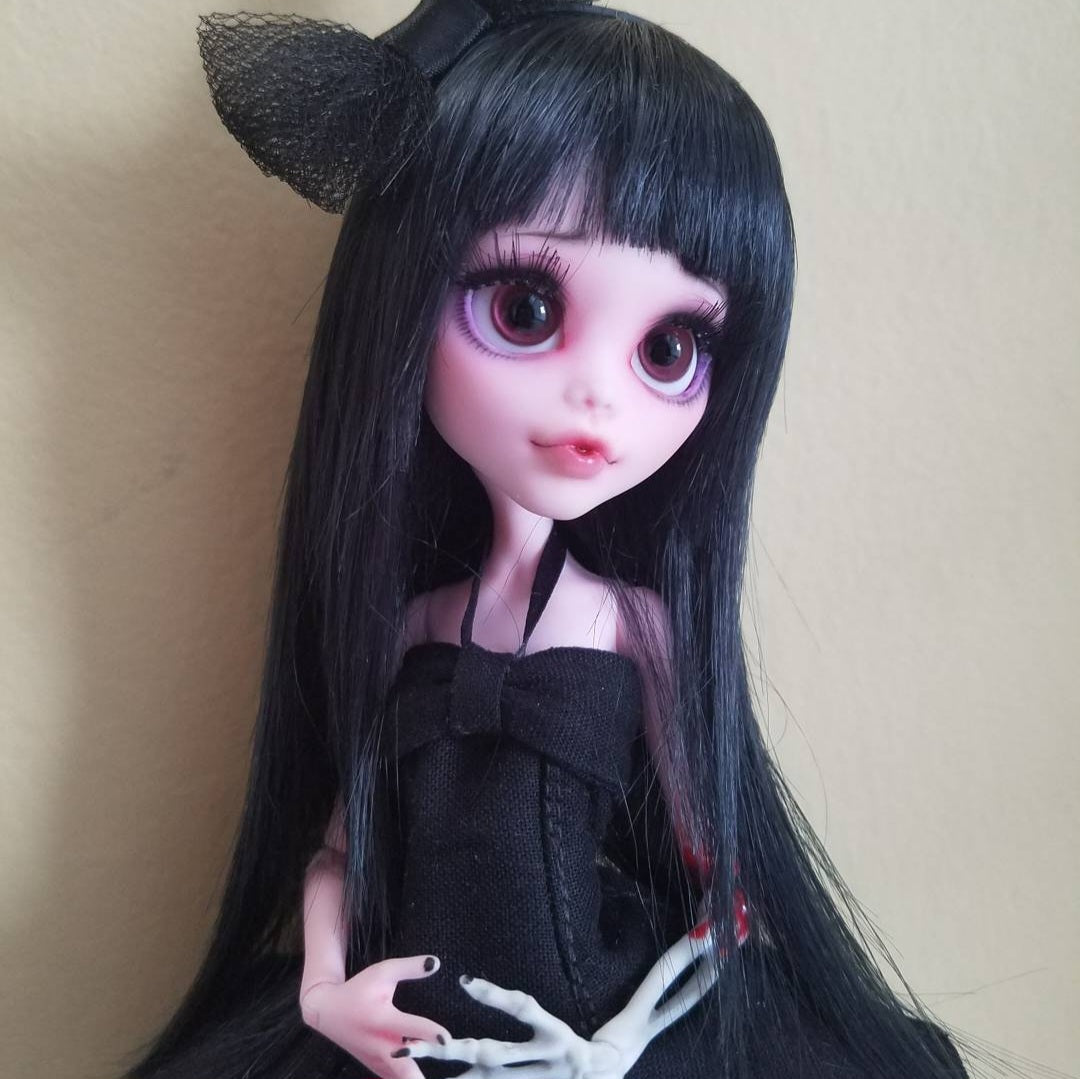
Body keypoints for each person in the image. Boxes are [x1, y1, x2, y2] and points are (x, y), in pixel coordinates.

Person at [129, 2, 969, 1076]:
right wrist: (326, 991)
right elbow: (339, 849)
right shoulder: (412, 627)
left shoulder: (635, 625)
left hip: (596, 1032)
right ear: (400, 297)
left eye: (669, 348)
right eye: (524, 308)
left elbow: (714, 869)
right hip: (411, 1035)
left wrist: (650, 1010)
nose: (599, 402)